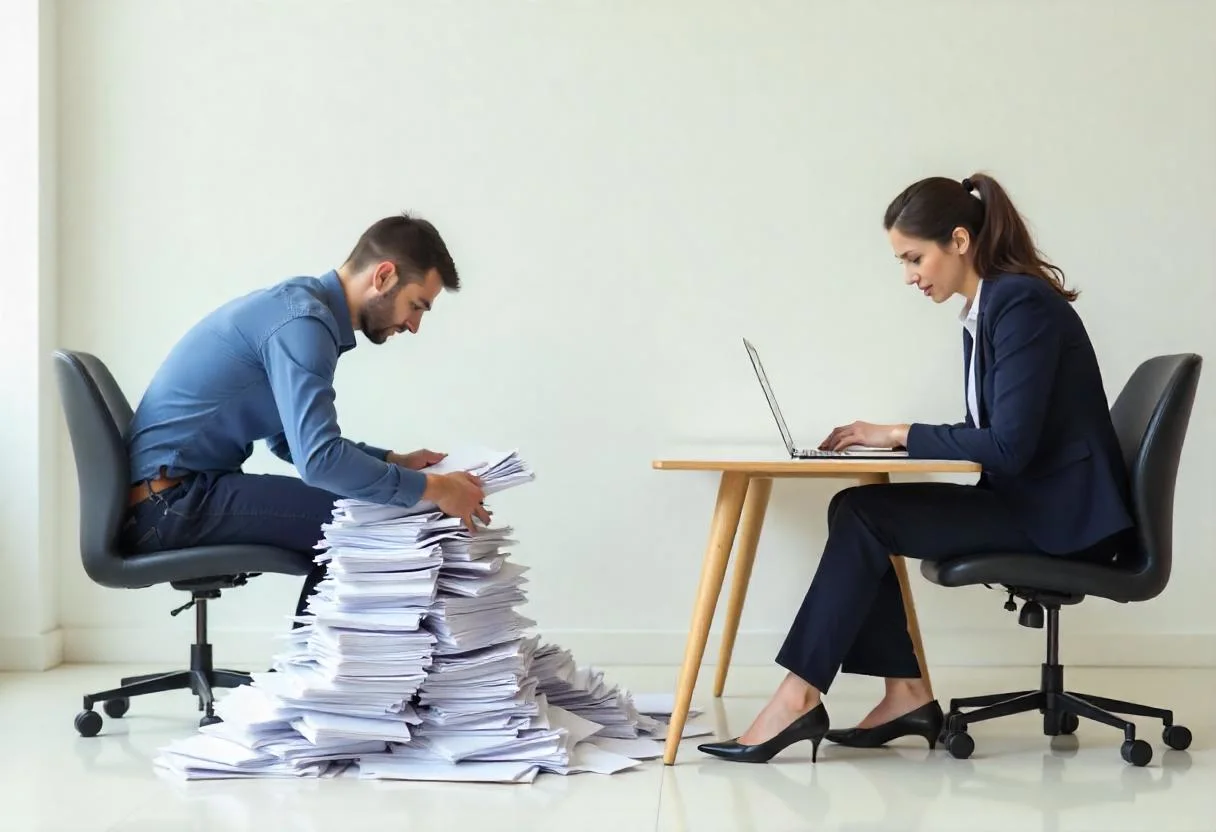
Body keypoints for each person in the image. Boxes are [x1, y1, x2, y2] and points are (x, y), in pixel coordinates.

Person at [698, 173, 1136, 764]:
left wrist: (899, 433)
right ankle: (903, 695)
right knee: (856, 508)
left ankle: (800, 698)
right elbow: (996, 432)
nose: (909, 276)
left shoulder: (1019, 304)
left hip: (1064, 520)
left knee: (865, 516)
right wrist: (892, 441)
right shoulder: (989, 308)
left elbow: (1008, 447)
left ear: (958, 241)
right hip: (1035, 502)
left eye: (913, 258)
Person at [121, 213, 489, 619]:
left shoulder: (300, 308)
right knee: (361, 526)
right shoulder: (304, 323)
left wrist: (391, 461)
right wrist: (435, 487)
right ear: (383, 276)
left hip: (171, 494)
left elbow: (287, 442)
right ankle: (318, 662)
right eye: (416, 306)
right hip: (169, 501)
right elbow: (318, 461)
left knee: (363, 513)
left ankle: (326, 659)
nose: (414, 325)